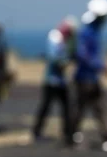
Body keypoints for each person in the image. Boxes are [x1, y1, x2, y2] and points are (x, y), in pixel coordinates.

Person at [73, 0, 107, 151]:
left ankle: (106, 138)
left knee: (98, 108)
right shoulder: (88, 32)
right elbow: (83, 54)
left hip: (91, 77)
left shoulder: (94, 31)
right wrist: (100, 65)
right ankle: (73, 136)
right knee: (81, 108)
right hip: (84, 78)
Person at [32, 16, 78, 146]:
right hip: (51, 80)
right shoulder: (55, 37)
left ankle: (67, 132)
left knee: (66, 107)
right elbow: (54, 58)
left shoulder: (65, 40)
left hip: (61, 80)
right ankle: (37, 131)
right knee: (46, 107)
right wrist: (65, 61)